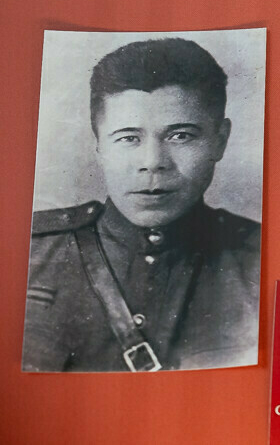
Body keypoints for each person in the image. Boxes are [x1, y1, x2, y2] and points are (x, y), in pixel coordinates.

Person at [22, 38, 261, 372]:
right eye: (128, 138)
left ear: (219, 141)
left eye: (181, 135)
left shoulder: (260, 259)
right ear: (99, 147)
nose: (152, 162)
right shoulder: (29, 251)